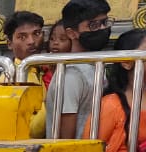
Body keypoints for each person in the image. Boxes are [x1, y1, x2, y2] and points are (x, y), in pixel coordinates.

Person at [45, 0, 112, 140]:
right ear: (72, 33)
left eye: (104, 23)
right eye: (93, 25)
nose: (101, 29)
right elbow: (66, 140)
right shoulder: (71, 75)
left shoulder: (95, 66)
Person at [0, 11, 46, 138]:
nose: (31, 41)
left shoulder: (45, 68)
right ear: (9, 43)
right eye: (22, 37)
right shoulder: (10, 79)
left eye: (36, 33)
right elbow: (34, 129)